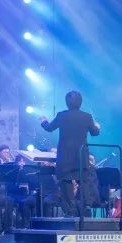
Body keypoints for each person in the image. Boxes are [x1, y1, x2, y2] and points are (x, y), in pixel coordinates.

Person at [40, 90, 101, 218]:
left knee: (65, 183)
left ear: (67, 103)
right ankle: (86, 207)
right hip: (81, 156)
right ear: (80, 102)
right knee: (84, 181)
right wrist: (97, 126)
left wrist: (43, 121)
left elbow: (49, 128)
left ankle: (70, 211)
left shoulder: (62, 115)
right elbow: (95, 132)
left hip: (65, 158)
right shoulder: (87, 116)